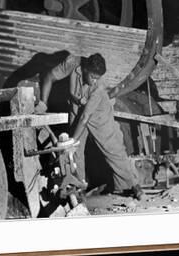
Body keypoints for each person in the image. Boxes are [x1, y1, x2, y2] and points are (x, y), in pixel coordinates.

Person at [35, 52, 143, 200]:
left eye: (97, 78)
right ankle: (78, 188)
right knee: (75, 153)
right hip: (77, 109)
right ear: (85, 69)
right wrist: (43, 102)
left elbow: (86, 117)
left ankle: (132, 185)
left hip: (98, 113)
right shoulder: (72, 63)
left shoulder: (98, 88)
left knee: (113, 147)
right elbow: (49, 76)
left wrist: (72, 140)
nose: (93, 81)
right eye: (92, 76)